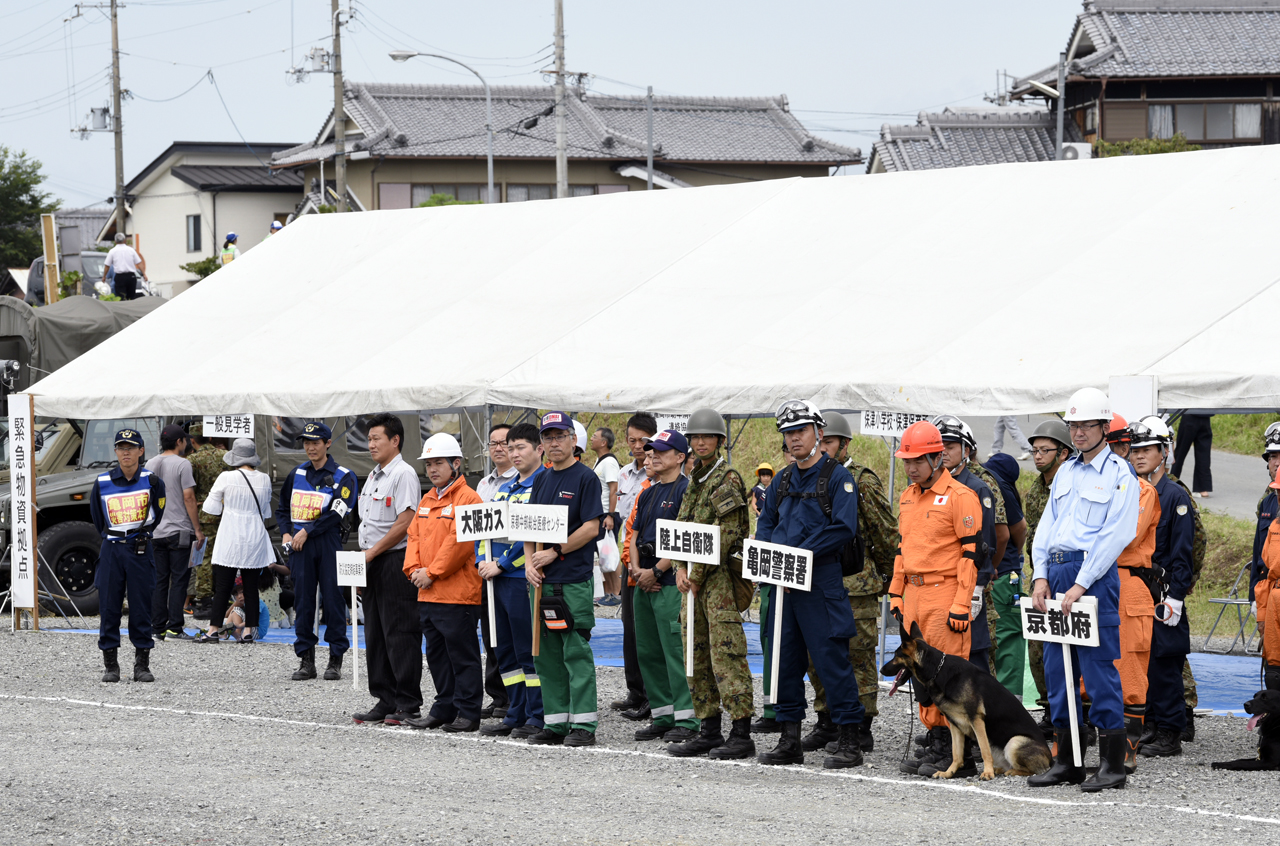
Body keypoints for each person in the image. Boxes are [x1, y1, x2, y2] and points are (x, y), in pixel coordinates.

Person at [1029, 387, 1138, 793]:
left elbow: (1117, 534)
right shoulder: (1068, 472)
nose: (1077, 433)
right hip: (1057, 572)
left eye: (1085, 425)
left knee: (1097, 669)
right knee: (1057, 671)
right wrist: (1041, 575)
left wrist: (1081, 582)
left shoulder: (1118, 474)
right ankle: (1069, 761)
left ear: (1104, 427)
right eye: (1073, 425)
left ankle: (1112, 765)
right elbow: (1046, 529)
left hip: (1092, 576)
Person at [754, 400, 865, 769]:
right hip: (783, 583)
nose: (794, 438)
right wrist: (775, 558)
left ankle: (849, 738)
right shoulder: (782, 479)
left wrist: (797, 556)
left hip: (820, 582)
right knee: (784, 660)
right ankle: (790, 739)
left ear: (819, 433)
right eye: (788, 433)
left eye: (800, 431)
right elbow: (766, 523)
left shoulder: (837, 477)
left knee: (831, 660)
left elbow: (843, 528)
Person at [888, 421, 982, 777]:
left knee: (949, 676)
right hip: (913, 593)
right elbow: (902, 548)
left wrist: (961, 603)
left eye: (917, 460)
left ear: (936, 457)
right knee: (921, 674)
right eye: (907, 461)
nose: (911, 467)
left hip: (944, 592)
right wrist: (896, 591)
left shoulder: (961, 497)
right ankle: (938, 740)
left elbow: (970, 556)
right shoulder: (908, 496)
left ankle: (961, 755)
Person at [805, 411, 898, 755]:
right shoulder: (807, 477)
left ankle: (861, 725)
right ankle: (827, 719)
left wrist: (890, 579)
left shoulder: (861, 480)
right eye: (821, 440)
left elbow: (886, 534)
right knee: (819, 655)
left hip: (855, 583)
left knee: (856, 655)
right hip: (815, 580)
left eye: (829, 441)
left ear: (844, 444)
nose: (823, 447)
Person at [666, 408, 755, 760]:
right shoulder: (694, 480)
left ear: (720, 440)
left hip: (717, 581)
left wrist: (695, 573)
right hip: (692, 581)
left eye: (708, 437)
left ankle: (741, 731)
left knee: (726, 654)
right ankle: (708, 728)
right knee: (696, 653)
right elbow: (680, 531)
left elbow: (727, 533)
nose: (701, 442)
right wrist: (677, 567)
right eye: (695, 437)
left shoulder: (727, 478)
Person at [523, 411, 604, 747]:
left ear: (573, 439)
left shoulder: (586, 478)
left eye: (560, 436)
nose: (553, 443)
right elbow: (529, 524)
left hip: (571, 579)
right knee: (546, 654)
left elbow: (591, 527)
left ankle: (583, 725)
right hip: (541, 581)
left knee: (575, 650)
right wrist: (529, 561)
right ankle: (555, 723)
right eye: (547, 437)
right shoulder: (541, 480)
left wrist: (555, 551)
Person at [401, 434, 485, 732]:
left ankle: (468, 711)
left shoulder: (470, 498)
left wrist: (431, 572)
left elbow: (461, 543)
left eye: (438, 462)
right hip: (429, 593)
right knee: (436, 656)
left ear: (456, 463)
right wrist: (412, 569)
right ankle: (444, 707)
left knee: (462, 656)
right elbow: (413, 536)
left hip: (458, 594)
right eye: (429, 463)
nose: (432, 469)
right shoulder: (427, 499)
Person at [1127, 417, 1195, 759]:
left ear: (1164, 452)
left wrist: (1177, 596)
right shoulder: (1133, 493)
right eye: (1135, 450)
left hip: (1163, 590)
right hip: (1138, 589)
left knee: (1166, 664)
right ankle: (1152, 724)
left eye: (1147, 450)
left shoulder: (1174, 496)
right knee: (1144, 662)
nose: (1139, 457)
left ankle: (1171, 731)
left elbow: (1183, 553)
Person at [628, 430, 699, 745]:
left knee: (676, 652)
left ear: (680, 457)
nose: (652, 456)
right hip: (644, 580)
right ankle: (662, 714)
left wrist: (656, 570)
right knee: (648, 651)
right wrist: (637, 570)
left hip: (670, 583)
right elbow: (634, 535)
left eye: (661, 451)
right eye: (651, 451)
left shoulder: (688, 490)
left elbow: (686, 540)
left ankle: (687, 718)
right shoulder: (648, 493)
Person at [353, 413, 424, 726]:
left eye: (376, 438)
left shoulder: (403, 474)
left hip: (394, 559)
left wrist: (372, 554)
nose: (370, 444)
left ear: (395, 440)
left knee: (400, 631)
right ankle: (385, 698)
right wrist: (363, 562)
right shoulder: (374, 476)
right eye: (368, 439)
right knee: (376, 633)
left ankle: (407, 702)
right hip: (370, 559)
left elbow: (405, 522)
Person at [275, 421, 358, 682]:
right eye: (306, 443)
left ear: (328, 444)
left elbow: (338, 512)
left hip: (328, 541)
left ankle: (335, 660)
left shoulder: (344, 475)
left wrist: (307, 530)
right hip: (300, 545)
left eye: (316, 442)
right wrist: (287, 532)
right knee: (303, 601)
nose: (310, 447)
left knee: (333, 600)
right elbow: (282, 509)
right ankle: (306, 660)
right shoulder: (296, 474)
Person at [478, 423, 545, 738]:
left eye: (519, 447)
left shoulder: (541, 484)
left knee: (527, 649)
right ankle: (514, 711)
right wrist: (482, 560)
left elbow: (528, 538)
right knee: (503, 650)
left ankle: (537, 714)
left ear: (538, 449)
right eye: (510, 447)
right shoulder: (504, 489)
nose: (513, 453)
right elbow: (485, 531)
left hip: (521, 579)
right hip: (496, 579)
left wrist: (502, 564)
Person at [90, 428, 166, 683]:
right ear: (115, 451)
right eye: (121, 447)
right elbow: (97, 517)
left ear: (141, 451)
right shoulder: (102, 482)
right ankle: (111, 665)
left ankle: (141, 665)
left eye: (131, 447)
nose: (126, 452)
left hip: (139, 549)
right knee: (109, 606)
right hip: (112, 549)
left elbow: (157, 515)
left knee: (141, 606)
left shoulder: (153, 482)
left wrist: (140, 535)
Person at [1106, 416, 1160, 772]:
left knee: (1130, 672)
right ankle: (1077, 741)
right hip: (1086, 582)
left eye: (1114, 445)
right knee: (1083, 670)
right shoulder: (1077, 482)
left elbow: (1124, 535)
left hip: (1126, 582)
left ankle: (1126, 746)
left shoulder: (1141, 490)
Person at [931, 415, 1003, 678]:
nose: (944, 452)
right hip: (937, 587)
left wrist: (978, 585)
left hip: (967, 585)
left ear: (967, 450)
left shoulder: (977, 489)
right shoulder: (928, 488)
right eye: (939, 447)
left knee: (972, 660)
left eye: (951, 446)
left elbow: (987, 543)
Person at [196, 438, 274, 644]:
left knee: (223, 585)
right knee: (251, 586)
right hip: (254, 535)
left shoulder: (225, 477)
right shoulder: (264, 479)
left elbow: (210, 509)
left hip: (231, 533)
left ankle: (213, 630)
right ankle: (249, 631)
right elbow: (266, 511)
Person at [1023, 417, 1073, 736]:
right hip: (1041, 576)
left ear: (1064, 453)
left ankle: (1076, 713)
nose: (1038, 456)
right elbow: (1032, 536)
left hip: (1069, 575)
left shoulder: (1072, 485)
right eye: (1034, 450)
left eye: (1045, 450)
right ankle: (1050, 708)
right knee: (1038, 647)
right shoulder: (1034, 492)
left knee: (1072, 646)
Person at [610, 412, 657, 720]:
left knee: (649, 631)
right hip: (629, 559)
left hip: (653, 563)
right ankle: (635, 690)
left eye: (643, 440)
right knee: (630, 627)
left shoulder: (659, 473)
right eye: (632, 440)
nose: (638, 446)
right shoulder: (625, 474)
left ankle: (654, 695)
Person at [146, 424, 203, 641]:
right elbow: (188, 497)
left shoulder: (150, 463)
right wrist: (197, 529)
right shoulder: (182, 464)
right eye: (185, 440)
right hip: (179, 529)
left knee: (160, 580)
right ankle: (175, 628)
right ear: (180, 442)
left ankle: (157, 627)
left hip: (156, 531)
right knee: (179, 580)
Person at [475, 422, 516, 720]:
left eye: (505, 443)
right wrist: (479, 559)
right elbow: (476, 528)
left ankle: (515, 699)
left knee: (514, 639)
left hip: (511, 567)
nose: (499, 448)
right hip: (486, 568)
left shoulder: (524, 481)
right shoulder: (483, 484)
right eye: (494, 443)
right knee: (491, 636)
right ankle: (498, 695)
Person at [982, 452, 1028, 699]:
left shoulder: (984, 481)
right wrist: (1015, 553)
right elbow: (1019, 529)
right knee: (1008, 640)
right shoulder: (1001, 484)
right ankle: (1009, 710)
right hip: (1003, 573)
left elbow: (1012, 530)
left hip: (995, 574)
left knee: (997, 639)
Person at [186, 423, 226, 618]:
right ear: (210, 438)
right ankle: (225, 596)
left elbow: (189, 492)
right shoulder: (224, 456)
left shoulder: (191, 460)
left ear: (192, 441)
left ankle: (204, 601)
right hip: (226, 513)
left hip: (203, 514)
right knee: (225, 556)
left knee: (203, 557)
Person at [1249, 424, 1280, 628]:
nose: (1276, 463)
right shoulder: (1267, 502)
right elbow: (1258, 553)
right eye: (1272, 457)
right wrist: (1253, 595)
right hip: (1268, 595)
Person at [1255, 463, 1280, 692]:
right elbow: (1264, 573)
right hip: (1274, 600)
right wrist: (1261, 615)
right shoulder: (1274, 527)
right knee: (1273, 672)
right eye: (1279, 492)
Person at [591, 427, 623, 606]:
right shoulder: (600, 461)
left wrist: (610, 515)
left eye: (594, 436)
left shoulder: (609, 462)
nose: (591, 439)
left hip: (607, 513)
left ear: (604, 442)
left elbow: (614, 490)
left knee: (610, 552)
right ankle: (609, 592)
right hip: (601, 512)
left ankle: (617, 592)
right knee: (604, 553)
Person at [1170, 413, 1213, 497]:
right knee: (1203, 453)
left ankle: (1172, 483)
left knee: (1181, 452)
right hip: (1205, 414)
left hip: (1190, 415)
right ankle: (1202, 488)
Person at [104, 232, 147, 300]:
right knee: (131, 297)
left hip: (120, 277)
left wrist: (104, 277)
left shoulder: (112, 251)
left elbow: (107, 265)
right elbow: (139, 263)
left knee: (121, 297)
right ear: (125, 240)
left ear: (115, 241)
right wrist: (144, 274)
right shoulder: (131, 250)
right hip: (131, 277)